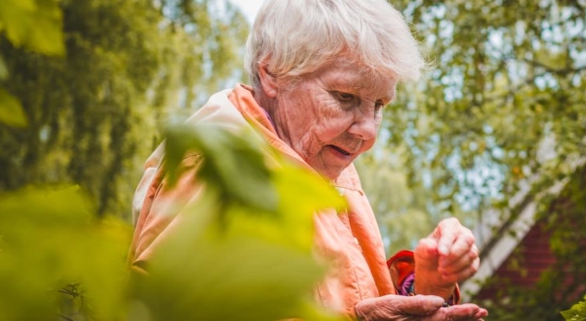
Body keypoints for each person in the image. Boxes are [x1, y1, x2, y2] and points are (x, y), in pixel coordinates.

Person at [128, 0, 487, 320]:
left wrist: (425, 286)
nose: (368, 131)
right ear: (273, 73)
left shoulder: (321, 158)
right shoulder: (219, 170)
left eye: (379, 106)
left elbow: (345, 296)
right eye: (345, 97)